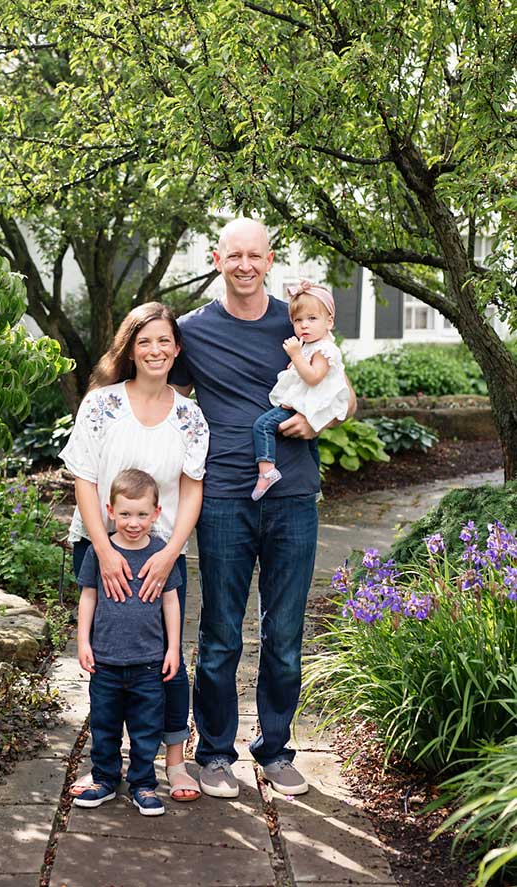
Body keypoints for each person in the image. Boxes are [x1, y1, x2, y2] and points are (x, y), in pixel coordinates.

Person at [169, 218, 356, 799]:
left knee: (285, 633)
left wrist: (319, 418)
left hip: (293, 494)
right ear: (217, 257)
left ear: (270, 260)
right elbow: (164, 398)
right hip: (223, 494)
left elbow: (348, 395)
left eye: (255, 255)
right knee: (220, 630)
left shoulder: (298, 319)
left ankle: (274, 750)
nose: (245, 265)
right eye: (234, 255)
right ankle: (217, 754)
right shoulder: (192, 331)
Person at [59, 302, 209, 802]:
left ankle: (174, 762)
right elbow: (83, 476)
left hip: (160, 555)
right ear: (130, 347)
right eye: (145, 341)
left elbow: (192, 489)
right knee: (105, 656)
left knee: (166, 660)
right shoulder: (102, 404)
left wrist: (172, 554)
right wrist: (102, 548)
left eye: (164, 341)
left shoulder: (189, 417)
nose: (155, 350)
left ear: (177, 348)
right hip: (103, 547)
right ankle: (104, 768)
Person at [74, 469, 181, 816]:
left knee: (146, 728)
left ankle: (144, 784)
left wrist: (174, 648)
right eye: (124, 514)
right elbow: (88, 597)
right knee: (104, 725)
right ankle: (104, 779)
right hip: (105, 661)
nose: (133, 523)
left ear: (156, 514)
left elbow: (171, 602)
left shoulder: (161, 552)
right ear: (109, 510)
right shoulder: (98, 552)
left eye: (141, 515)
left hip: (148, 662)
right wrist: (83, 642)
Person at [251, 279, 349, 500]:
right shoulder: (312, 345)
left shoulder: (324, 350)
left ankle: (267, 470)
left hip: (307, 405)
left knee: (263, 425)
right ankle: (314, 486)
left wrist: (295, 355)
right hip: (304, 404)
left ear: (329, 321)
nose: (304, 325)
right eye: (298, 320)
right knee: (310, 446)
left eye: (312, 319)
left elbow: (314, 377)